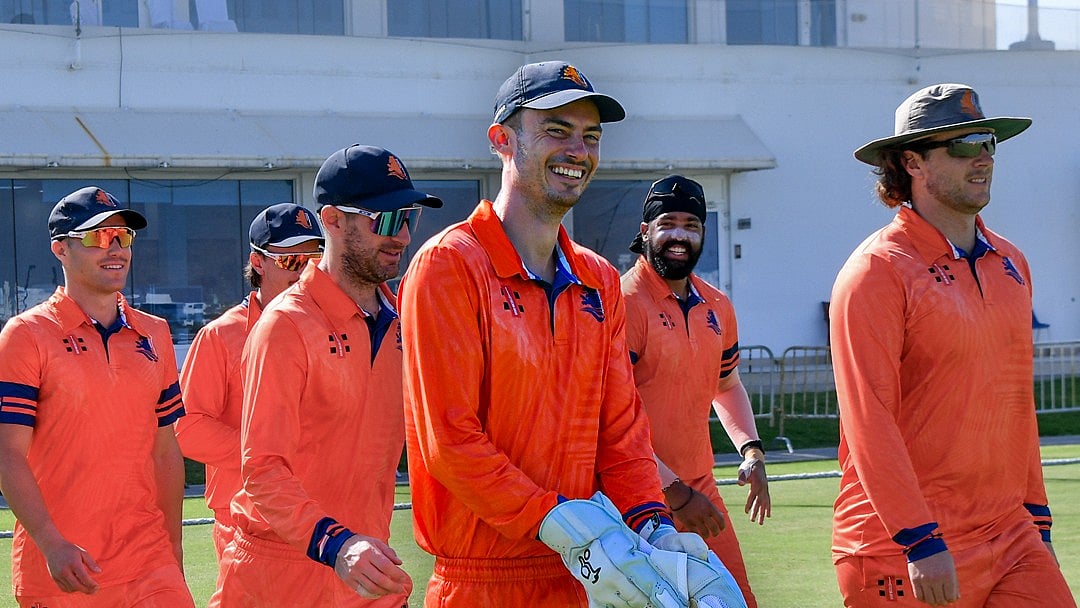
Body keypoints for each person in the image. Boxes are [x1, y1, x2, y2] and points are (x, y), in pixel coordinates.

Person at [400, 61, 724, 607]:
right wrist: (553, 519)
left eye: (590, 136)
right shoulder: (449, 266)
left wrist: (653, 526)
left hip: (586, 573)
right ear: (502, 140)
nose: (578, 150)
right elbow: (449, 440)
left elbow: (621, 430)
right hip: (484, 583)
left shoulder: (597, 279)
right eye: (556, 130)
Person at [831, 83, 1075, 607]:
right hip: (901, 544)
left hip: (1011, 533)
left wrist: (1038, 519)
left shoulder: (1011, 261)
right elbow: (868, 420)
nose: (983, 157)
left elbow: (1016, 402)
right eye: (963, 145)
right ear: (912, 162)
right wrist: (919, 538)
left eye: (989, 141)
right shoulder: (876, 271)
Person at [207, 145, 441, 607]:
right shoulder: (285, 325)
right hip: (282, 571)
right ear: (332, 220)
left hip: (368, 565)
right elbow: (262, 468)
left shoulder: (405, 321)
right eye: (387, 219)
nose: (404, 236)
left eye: (409, 217)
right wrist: (336, 545)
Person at [0, 186, 193, 606]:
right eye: (97, 237)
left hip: (150, 564)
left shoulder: (155, 332)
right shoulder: (25, 335)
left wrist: (173, 551)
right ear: (60, 249)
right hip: (66, 567)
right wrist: (51, 544)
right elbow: (7, 454)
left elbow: (165, 452)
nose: (116, 248)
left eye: (123, 236)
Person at [621, 174, 771, 607]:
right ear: (646, 230)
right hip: (634, 496)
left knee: (736, 600)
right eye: (668, 223)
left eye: (692, 225)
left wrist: (752, 450)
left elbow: (726, 385)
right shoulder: (622, 301)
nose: (680, 236)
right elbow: (607, 417)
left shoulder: (717, 305)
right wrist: (673, 492)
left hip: (699, 487)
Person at [175, 203, 324, 565]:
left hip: (322, 515)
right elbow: (187, 428)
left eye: (314, 259)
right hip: (245, 521)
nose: (304, 270)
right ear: (258, 263)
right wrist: (272, 455)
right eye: (291, 260)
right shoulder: (219, 335)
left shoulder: (336, 327)